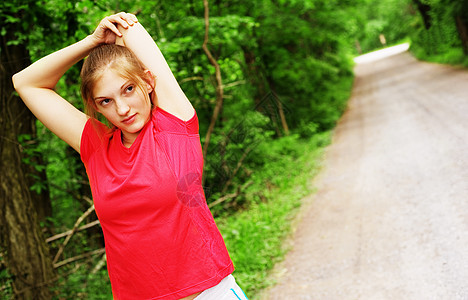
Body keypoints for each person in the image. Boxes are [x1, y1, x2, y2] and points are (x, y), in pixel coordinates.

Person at [12, 12, 248, 300]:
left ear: (148, 82)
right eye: (106, 101)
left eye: (129, 89)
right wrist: (90, 42)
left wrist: (111, 32)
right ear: (96, 107)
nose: (122, 108)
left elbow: (129, 26)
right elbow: (25, 82)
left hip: (207, 293)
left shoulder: (174, 125)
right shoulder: (96, 147)